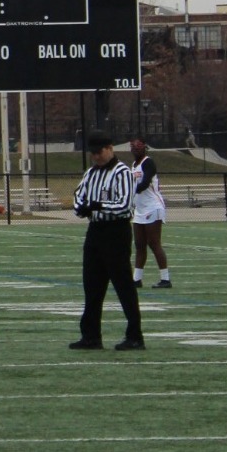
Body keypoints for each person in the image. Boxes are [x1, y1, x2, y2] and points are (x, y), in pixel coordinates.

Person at [70, 132, 145, 351]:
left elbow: (124, 205)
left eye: (99, 152)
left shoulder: (122, 172)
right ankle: (91, 336)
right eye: (92, 153)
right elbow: (78, 196)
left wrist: (98, 206)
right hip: (95, 231)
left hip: (116, 232)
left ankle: (135, 336)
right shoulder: (91, 173)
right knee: (92, 286)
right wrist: (82, 208)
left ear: (110, 148)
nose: (96, 156)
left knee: (123, 286)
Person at [129, 138, 171, 289]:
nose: (136, 149)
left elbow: (145, 183)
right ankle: (136, 279)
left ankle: (165, 279)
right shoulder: (133, 165)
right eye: (133, 147)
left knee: (154, 243)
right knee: (139, 245)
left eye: (138, 147)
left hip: (153, 207)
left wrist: (130, 191)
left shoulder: (148, 163)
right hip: (140, 210)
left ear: (144, 148)